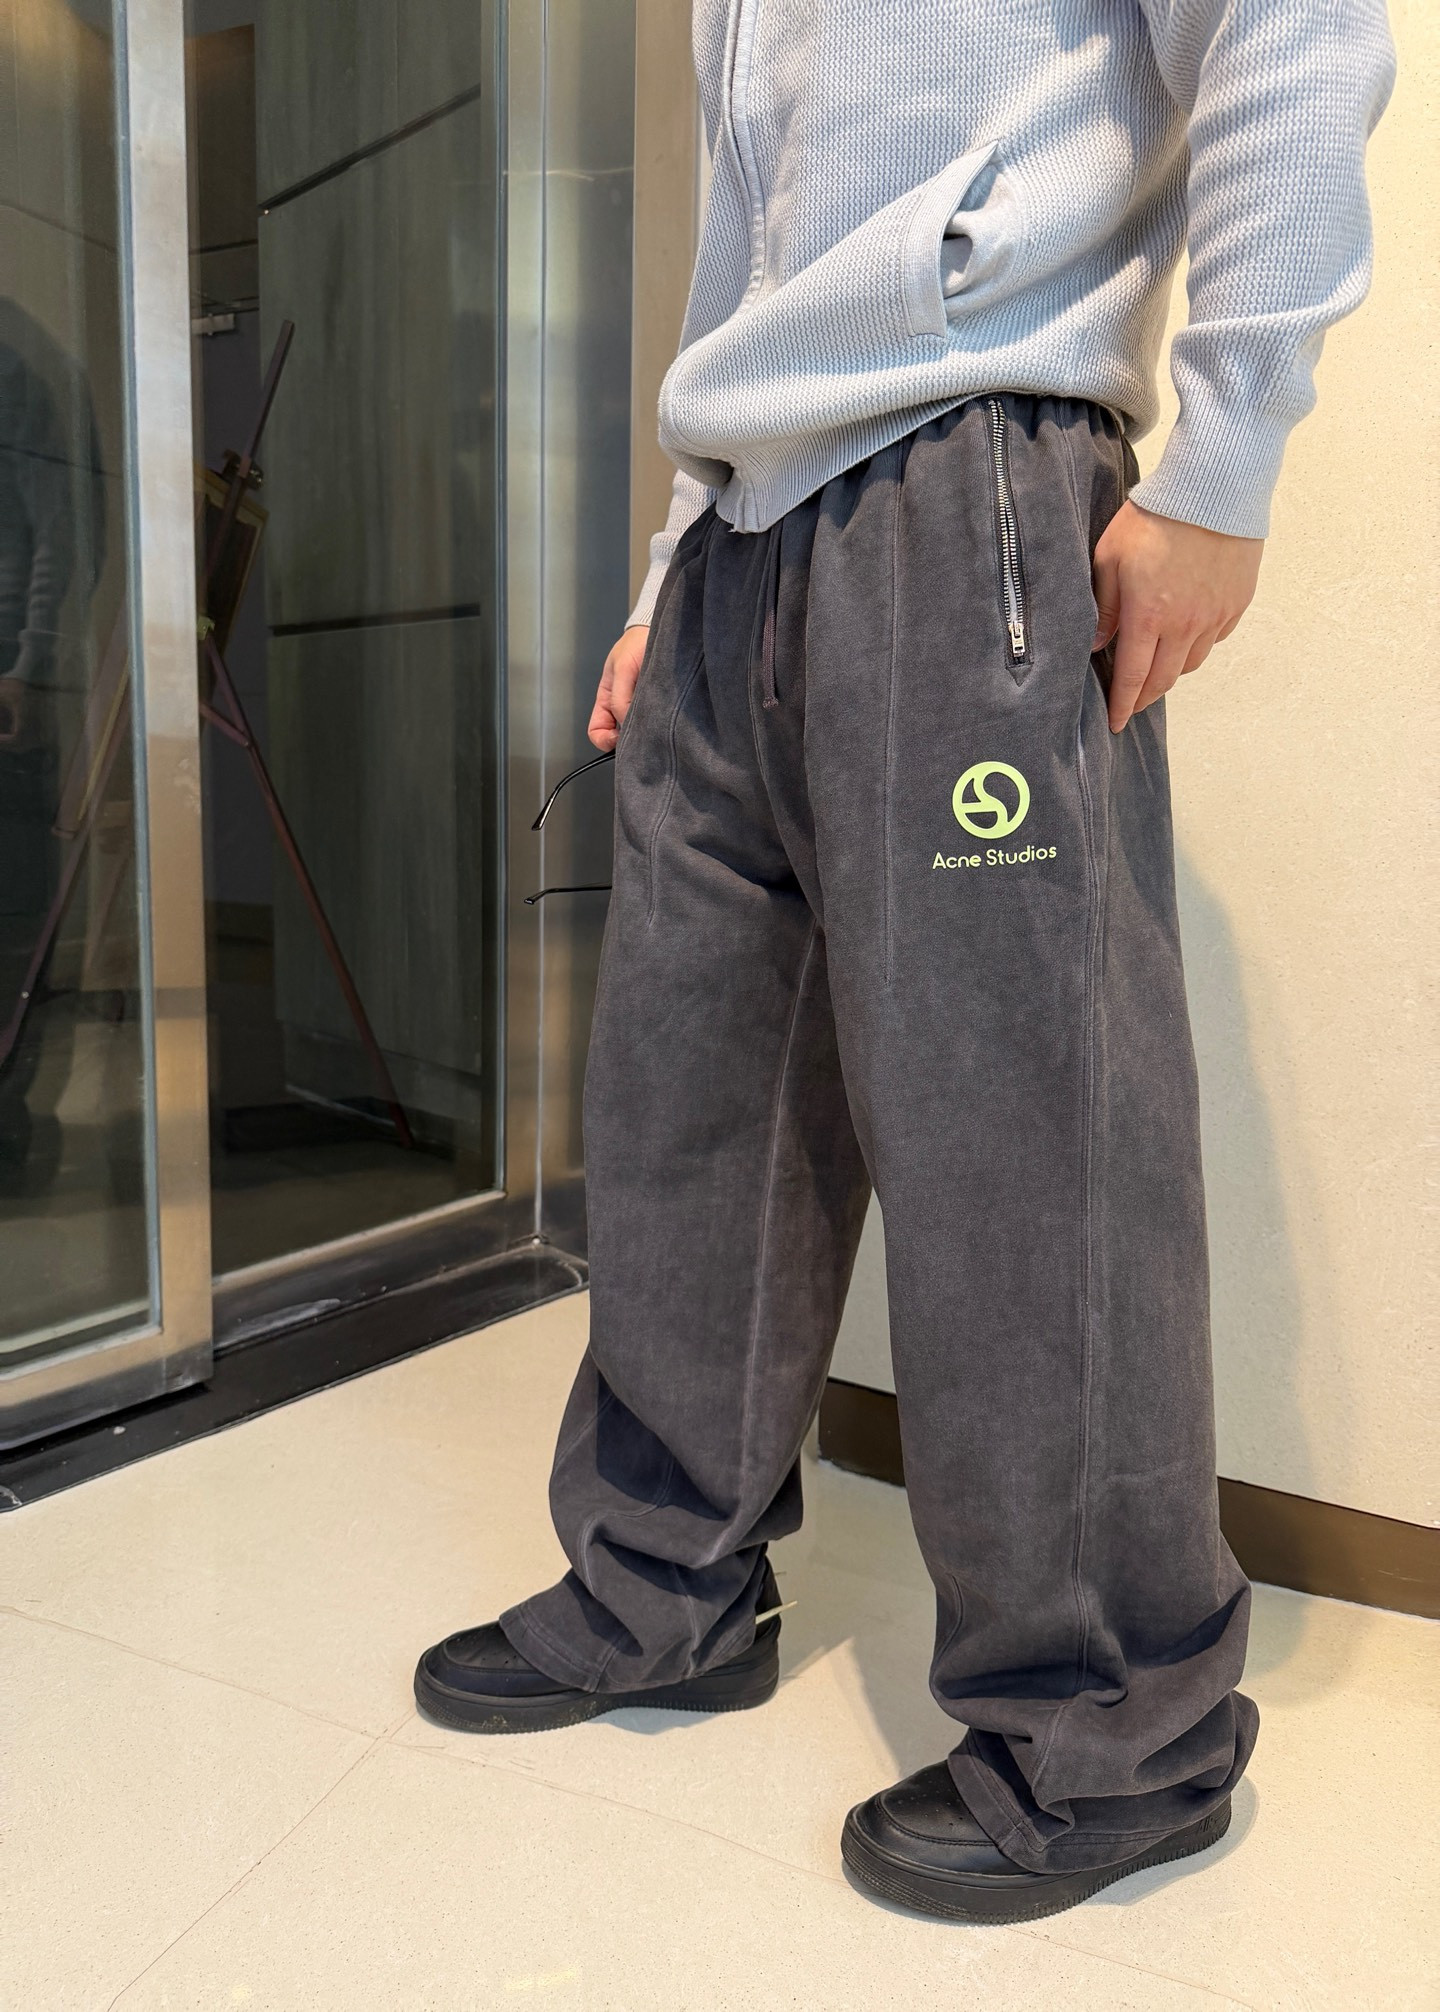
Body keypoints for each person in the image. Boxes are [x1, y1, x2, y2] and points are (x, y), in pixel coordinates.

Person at [417, 0, 1395, 1924]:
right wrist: (674, 571)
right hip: (742, 544)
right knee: (690, 1111)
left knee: (1021, 1130)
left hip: (968, 493)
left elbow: (1293, 26)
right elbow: (750, 248)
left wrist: (1223, 465)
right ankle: (664, 1585)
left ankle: (1115, 1730)